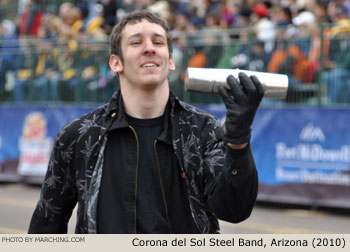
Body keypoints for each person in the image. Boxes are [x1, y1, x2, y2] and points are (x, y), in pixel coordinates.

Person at [28, 10, 264, 234]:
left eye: (158, 42)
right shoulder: (79, 135)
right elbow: (47, 226)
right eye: (136, 42)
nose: (150, 48)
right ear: (115, 63)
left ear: (170, 61)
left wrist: (238, 141)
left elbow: (234, 210)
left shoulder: (203, 130)